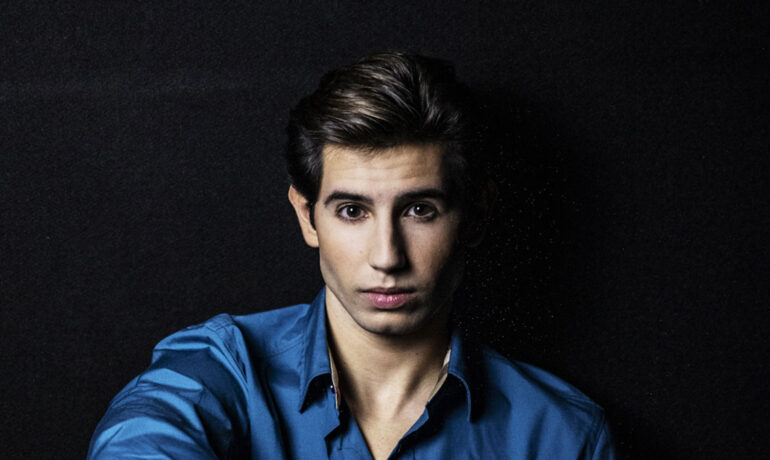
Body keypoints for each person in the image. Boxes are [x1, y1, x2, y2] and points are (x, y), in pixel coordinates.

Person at [88, 52, 615, 459]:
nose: (387, 256)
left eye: (420, 210)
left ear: (474, 217)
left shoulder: (563, 436)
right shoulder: (225, 368)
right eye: (352, 211)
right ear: (307, 216)